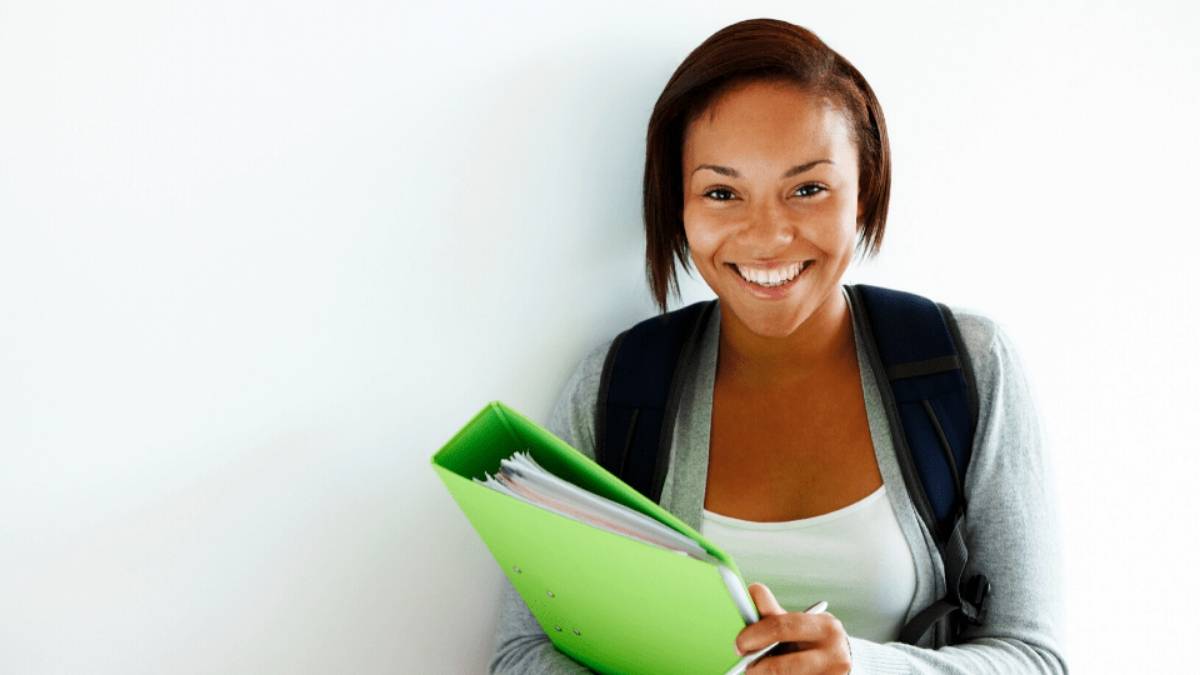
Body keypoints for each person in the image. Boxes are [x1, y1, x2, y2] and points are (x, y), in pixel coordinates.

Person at [489, 17, 1067, 675]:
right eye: (722, 192)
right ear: (677, 203)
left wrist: (862, 666)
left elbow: (1037, 657)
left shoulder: (966, 366)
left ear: (864, 189)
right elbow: (520, 655)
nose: (767, 237)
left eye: (808, 188)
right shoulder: (615, 387)